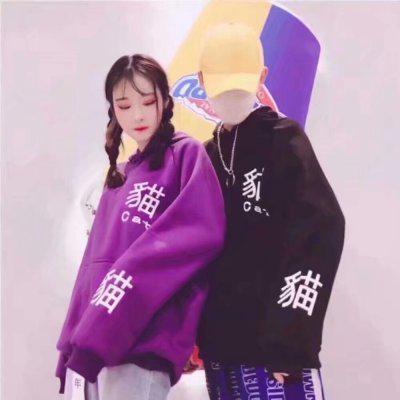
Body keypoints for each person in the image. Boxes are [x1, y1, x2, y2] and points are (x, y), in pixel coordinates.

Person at [55, 53, 226, 400]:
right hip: (93, 347)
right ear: (113, 111)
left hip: (142, 345)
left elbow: (191, 241)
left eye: (147, 102)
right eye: (124, 105)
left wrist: (95, 331)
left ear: (165, 100)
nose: (137, 115)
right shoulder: (118, 177)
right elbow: (91, 268)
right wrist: (72, 344)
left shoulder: (186, 156)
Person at [196, 22, 345, 399]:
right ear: (201, 82)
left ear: (262, 78)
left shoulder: (284, 142)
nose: (231, 97)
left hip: (275, 357)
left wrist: (291, 340)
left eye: (239, 85)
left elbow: (321, 233)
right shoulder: (203, 157)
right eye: (222, 87)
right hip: (220, 353)